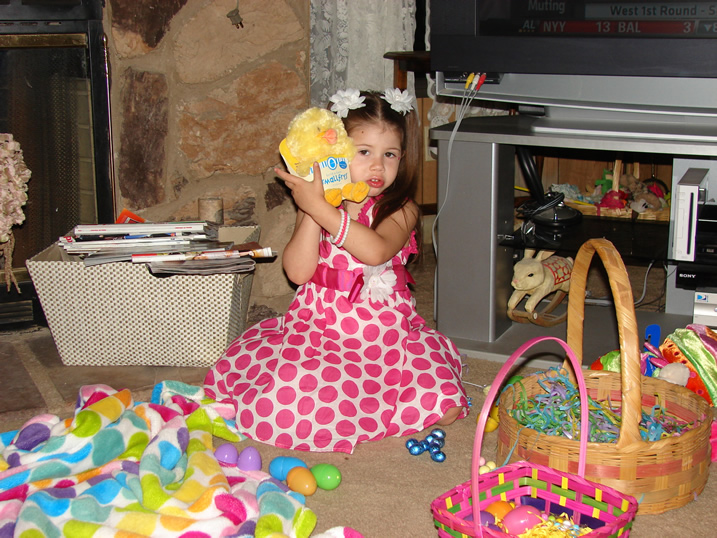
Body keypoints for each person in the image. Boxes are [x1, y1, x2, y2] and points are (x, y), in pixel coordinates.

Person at [203, 89, 468, 453]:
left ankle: (376, 402)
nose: (378, 166)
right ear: (336, 153)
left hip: (386, 338)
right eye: (364, 152)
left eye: (389, 154)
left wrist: (322, 210)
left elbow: (375, 251)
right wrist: (315, 207)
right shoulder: (318, 205)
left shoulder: (401, 209)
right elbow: (298, 272)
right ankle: (348, 403)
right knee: (286, 398)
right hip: (322, 331)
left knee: (445, 404)